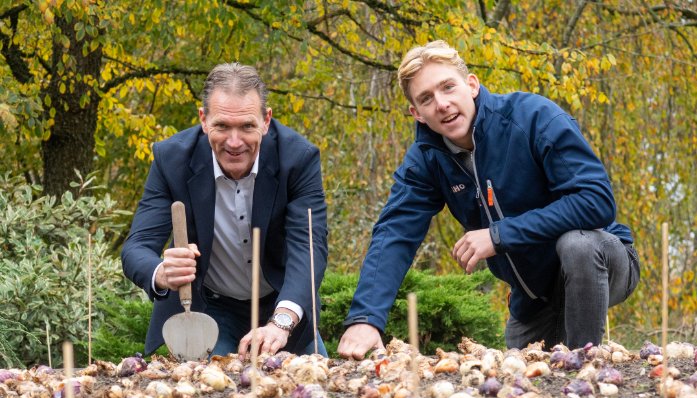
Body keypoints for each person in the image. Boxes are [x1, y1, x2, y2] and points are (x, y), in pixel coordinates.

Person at [338, 40, 640, 359]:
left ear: (471, 85)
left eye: (448, 87)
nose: (442, 103)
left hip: (601, 263)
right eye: (427, 98)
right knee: (514, 389)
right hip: (532, 299)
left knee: (577, 246)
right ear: (417, 113)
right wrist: (365, 318)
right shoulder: (425, 161)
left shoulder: (532, 117)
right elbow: (395, 233)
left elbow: (595, 201)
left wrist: (499, 235)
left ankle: (586, 368)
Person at [121, 63, 328, 359]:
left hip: (282, 305)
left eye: (246, 126)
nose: (234, 142)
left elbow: (309, 246)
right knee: (208, 397)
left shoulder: (299, 159)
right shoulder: (171, 159)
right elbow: (136, 247)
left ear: (266, 121)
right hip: (210, 308)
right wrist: (162, 272)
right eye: (222, 126)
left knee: (317, 390)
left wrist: (282, 322)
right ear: (204, 120)